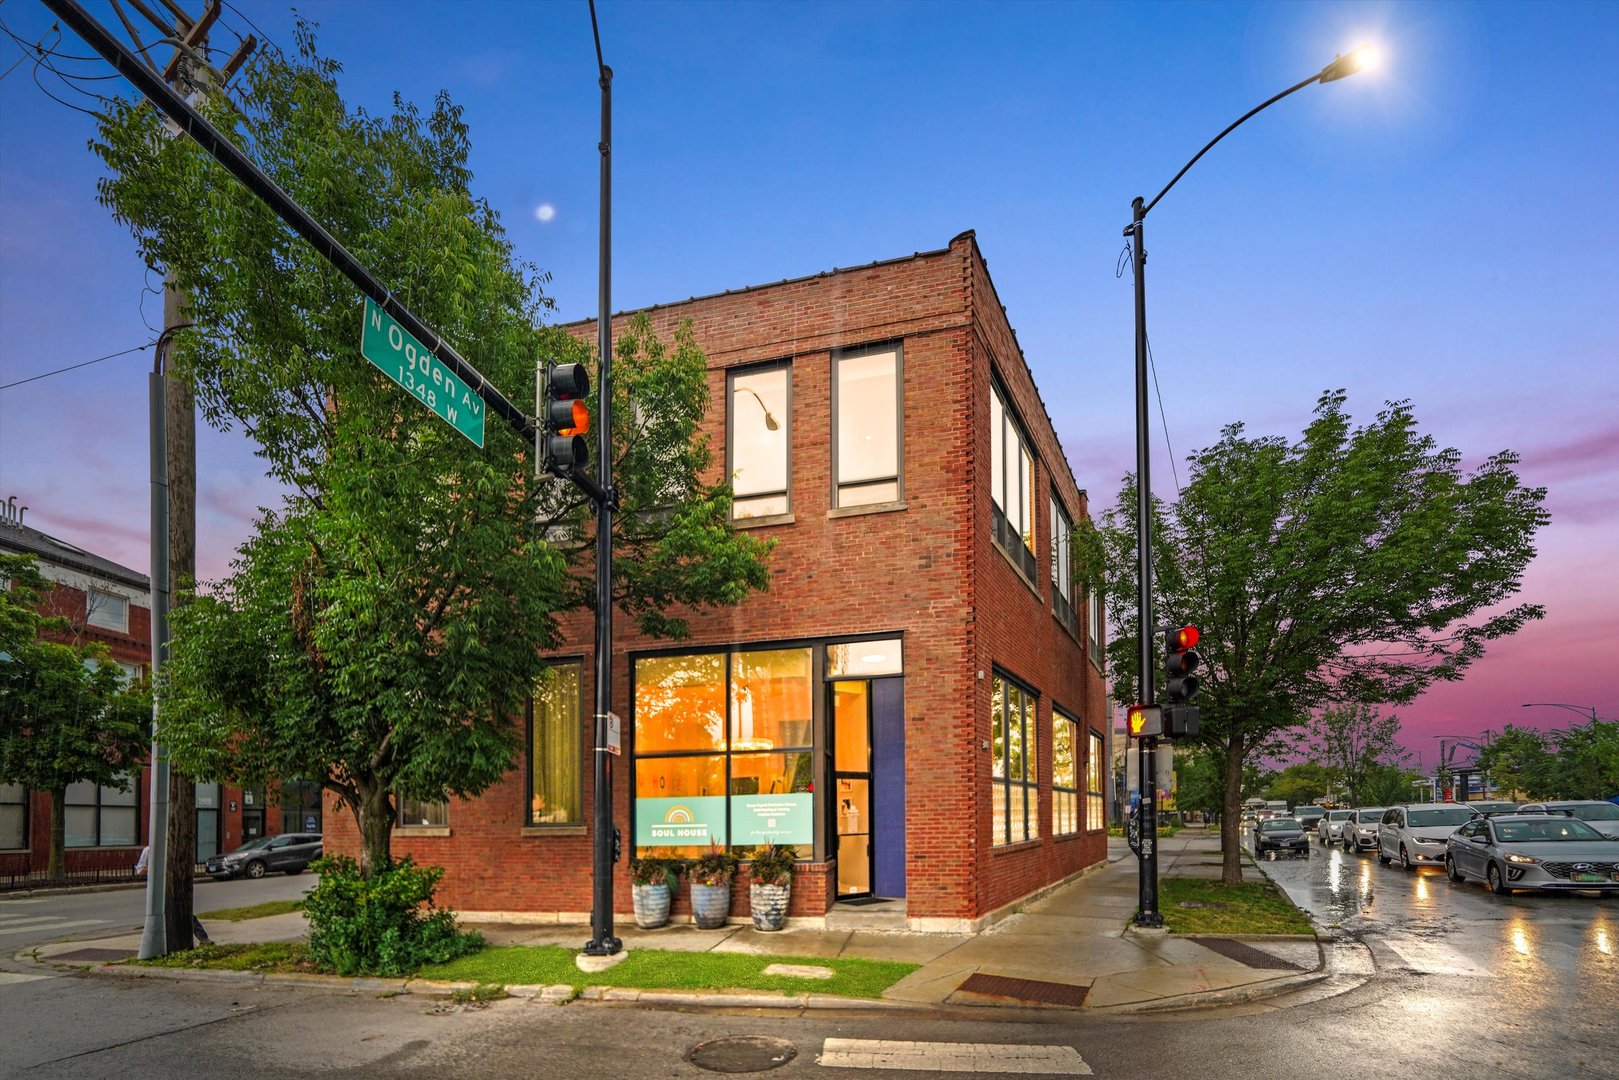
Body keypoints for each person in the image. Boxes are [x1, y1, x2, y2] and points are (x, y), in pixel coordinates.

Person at [134, 846, 212, 945]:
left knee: (184, 912)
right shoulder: (149, 850)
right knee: (161, 916)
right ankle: (160, 942)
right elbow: (140, 870)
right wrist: (157, 868)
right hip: (158, 888)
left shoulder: (174, 848)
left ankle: (202, 937)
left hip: (175, 886)